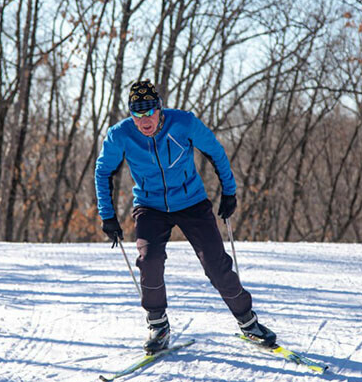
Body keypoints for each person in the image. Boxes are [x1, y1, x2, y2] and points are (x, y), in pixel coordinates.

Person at [94, 80, 277, 354]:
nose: (144, 120)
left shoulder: (184, 123)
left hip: (191, 202)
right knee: (150, 259)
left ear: (160, 109)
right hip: (150, 205)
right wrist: (107, 216)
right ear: (131, 114)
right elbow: (103, 171)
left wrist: (229, 192)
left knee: (216, 265)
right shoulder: (120, 135)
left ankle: (248, 321)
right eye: (137, 113)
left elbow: (215, 151)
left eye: (149, 111)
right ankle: (158, 325)